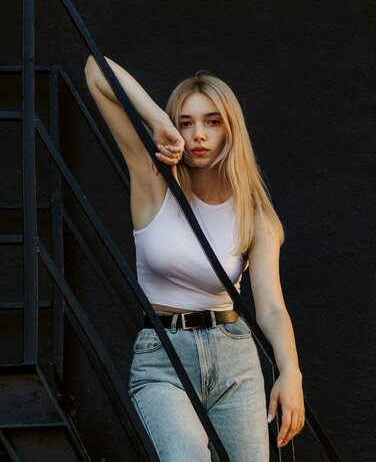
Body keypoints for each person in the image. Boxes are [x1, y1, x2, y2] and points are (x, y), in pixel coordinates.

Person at [84, 55, 305, 461]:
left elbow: (271, 307)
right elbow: (95, 71)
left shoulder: (253, 213)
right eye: (186, 121)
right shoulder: (152, 184)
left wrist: (291, 372)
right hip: (163, 357)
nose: (198, 133)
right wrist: (158, 122)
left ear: (230, 130)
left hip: (235, 357)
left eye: (212, 121)